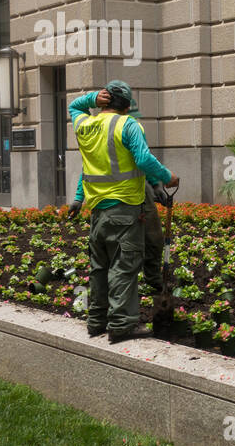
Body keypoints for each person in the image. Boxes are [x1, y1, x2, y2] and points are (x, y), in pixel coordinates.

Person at [69, 81, 177, 344]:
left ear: (105, 101)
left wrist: (93, 97)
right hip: (125, 210)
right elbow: (142, 160)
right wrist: (166, 177)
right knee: (124, 267)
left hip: (97, 213)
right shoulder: (128, 125)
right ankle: (120, 325)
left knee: (100, 268)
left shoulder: (84, 125)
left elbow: (74, 106)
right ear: (128, 106)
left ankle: (96, 322)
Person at [69, 102, 171, 295]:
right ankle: (120, 294)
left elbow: (140, 160)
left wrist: (155, 184)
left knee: (154, 237)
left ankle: (152, 278)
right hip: (115, 201)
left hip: (138, 191)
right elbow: (89, 170)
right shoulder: (109, 129)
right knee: (118, 250)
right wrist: (78, 198)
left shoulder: (131, 128)